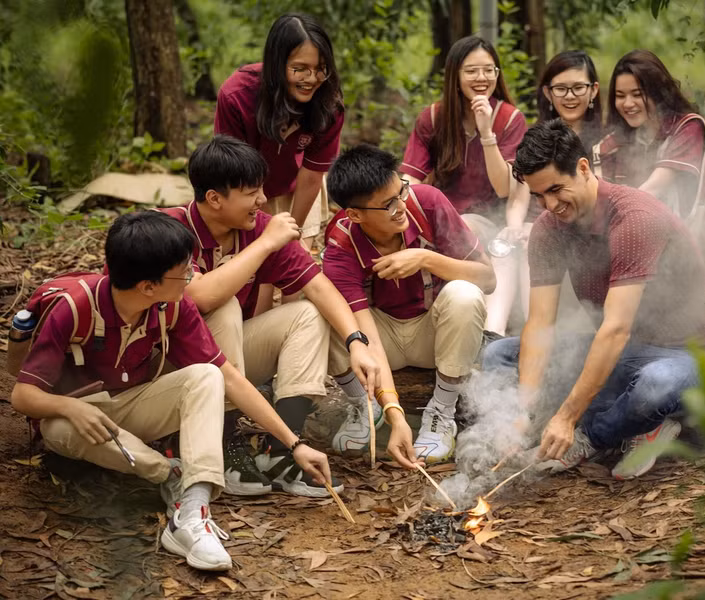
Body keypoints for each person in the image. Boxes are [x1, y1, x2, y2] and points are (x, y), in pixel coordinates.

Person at [9, 211, 332, 571]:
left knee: (206, 377)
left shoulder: (172, 306)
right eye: (185, 271)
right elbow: (22, 396)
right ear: (148, 285)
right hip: (80, 420)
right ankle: (169, 474)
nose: (193, 276)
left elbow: (231, 379)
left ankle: (191, 512)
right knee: (56, 428)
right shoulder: (75, 308)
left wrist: (295, 444)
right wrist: (71, 408)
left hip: (133, 405)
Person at [482, 120, 705, 480]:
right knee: (498, 354)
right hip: (624, 354)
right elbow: (540, 324)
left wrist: (567, 418)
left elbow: (614, 329)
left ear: (583, 168)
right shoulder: (549, 230)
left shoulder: (634, 221)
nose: (550, 205)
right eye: (538, 196)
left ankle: (591, 436)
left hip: (689, 356)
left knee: (655, 384)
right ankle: (622, 421)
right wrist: (522, 408)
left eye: (555, 189)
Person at [160, 135, 379, 497]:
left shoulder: (257, 227)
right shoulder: (173, 229)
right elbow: (199, 297)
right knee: (224, 304)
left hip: (228, 360)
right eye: (251, 193)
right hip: (173, 366)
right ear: (214, 199)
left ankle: (280, 451)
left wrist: (357, 343)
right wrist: (265, 245)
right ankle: (225, 440)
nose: (262, 201)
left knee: (308, 313)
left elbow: (320, 286)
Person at [324, 145, 496, 464]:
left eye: (400, 191)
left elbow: (487, 280)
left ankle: (441, 413)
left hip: (433, 332)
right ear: (355, 214)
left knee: (464, 294)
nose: (400, 205)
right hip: (380, 337)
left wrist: (426, 258)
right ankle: (365, 405)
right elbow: (365, 334)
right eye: (387, 204)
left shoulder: (427, 202)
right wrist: (394, 413)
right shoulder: (341, 243)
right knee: (321, 310)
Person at [400, 35, 529, 338]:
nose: (481, 78)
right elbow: (411, 179)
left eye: (489, 70)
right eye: (471, 70)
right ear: (455, 76)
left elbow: (504, 189)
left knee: (467, 226)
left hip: (490, 221)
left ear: (498, 74)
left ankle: (485, 332)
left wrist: (487, 133)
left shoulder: (510, 119)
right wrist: (388, 205)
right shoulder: (434, 118)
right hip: (443, 220)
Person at [214, 13, 342, 250]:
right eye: (300, 69)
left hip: (298, 186)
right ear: (276, 63)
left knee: (294, 261)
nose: (311, 79)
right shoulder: (237, 95)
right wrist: (268, 233)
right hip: (243, 188)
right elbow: (233, 170)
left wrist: (293, 232)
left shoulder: (328, 104)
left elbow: (312, 174)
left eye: (321, 68)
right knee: (254, 264)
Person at [593, 49, 705, 219]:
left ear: (658, 93)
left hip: (683, 234)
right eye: (620, 96)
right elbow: (599, 200)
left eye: (637, 94)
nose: (628, 104)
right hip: (628, 229)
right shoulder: (611, 145)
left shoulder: (687, 127)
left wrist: (617, 217)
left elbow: (656, 187)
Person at [537, 51, 603, 153]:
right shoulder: (533, 143)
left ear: (593, 90)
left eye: (578, 87)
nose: (569, 96)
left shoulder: (607, 143)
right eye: (560, 88)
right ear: (548, 93)